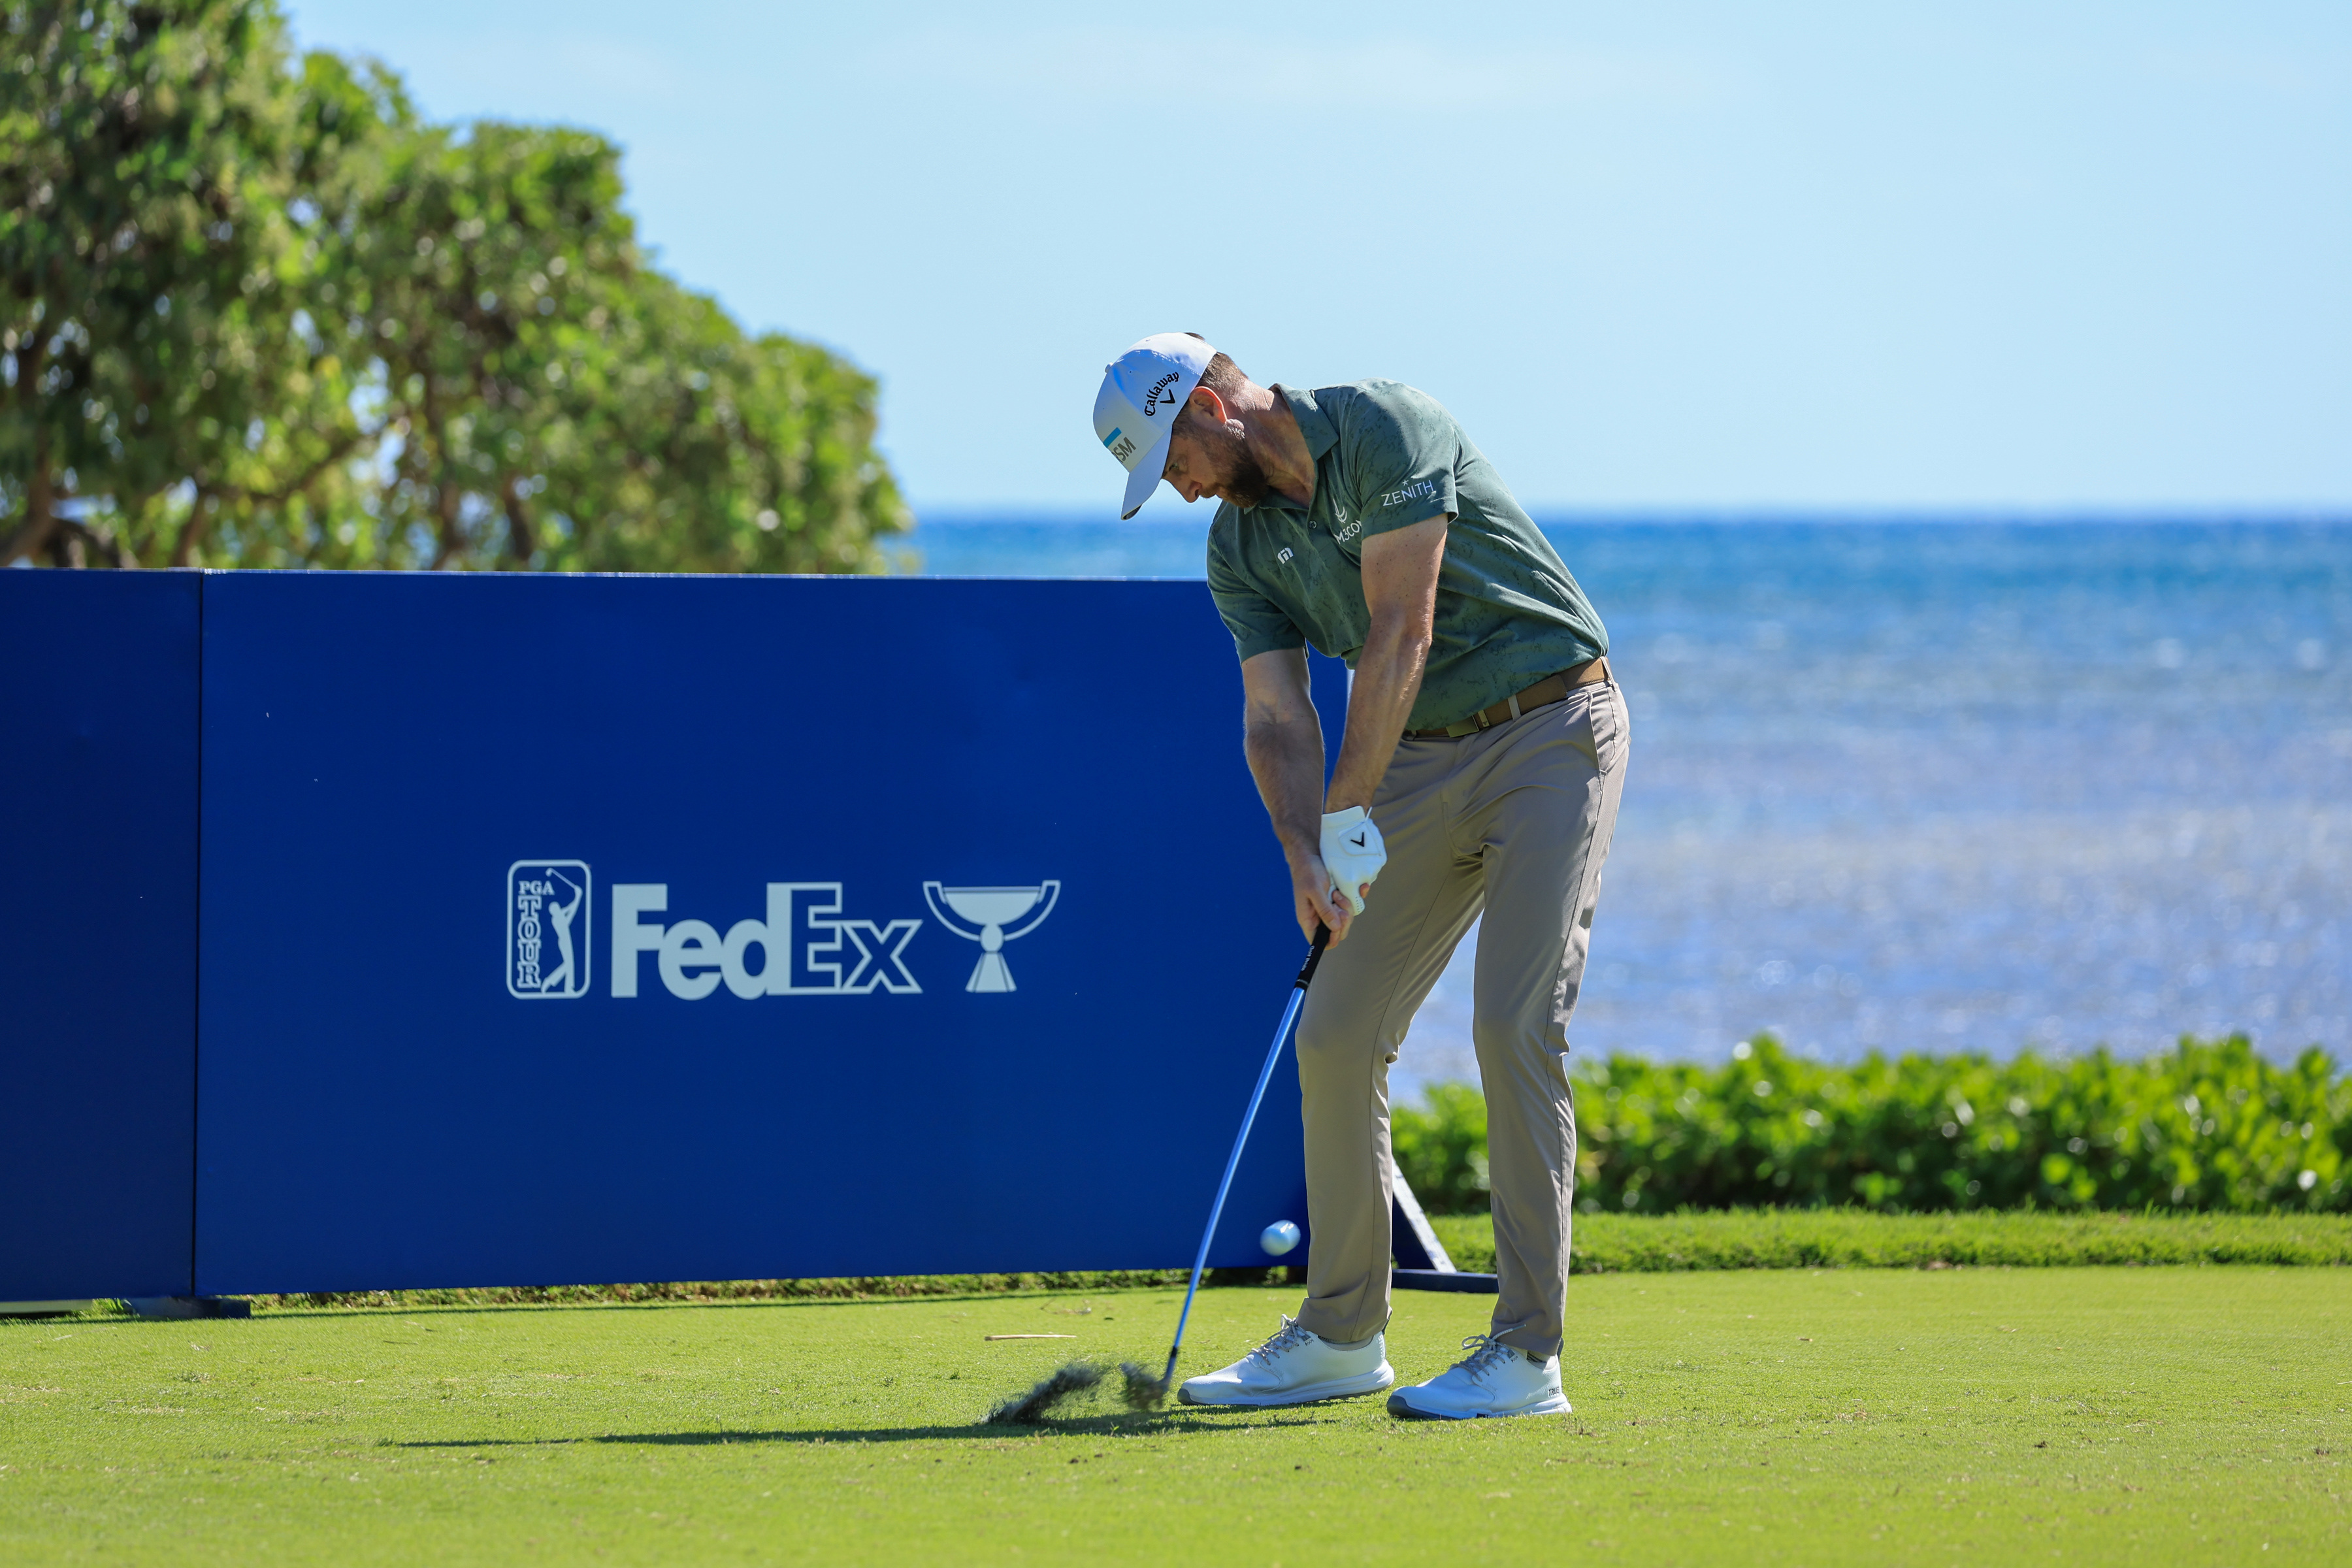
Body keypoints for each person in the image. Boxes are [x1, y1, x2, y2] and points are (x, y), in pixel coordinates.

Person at [1092, 334, 1628, 1420]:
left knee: (1514, 1027)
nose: (1183, 491)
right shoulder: (1239, 550)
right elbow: (1275, 716)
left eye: (1174, 461)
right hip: (1419, 761)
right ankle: (1342, 1333)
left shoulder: (1384, 423)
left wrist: (1347, 815)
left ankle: (1528, 1356)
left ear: (1208, 405)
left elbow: (1402, 630)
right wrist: (1304, 849)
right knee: (1335, 1034)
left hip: (1551, 730)